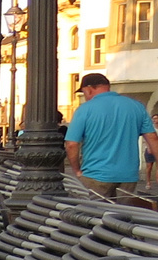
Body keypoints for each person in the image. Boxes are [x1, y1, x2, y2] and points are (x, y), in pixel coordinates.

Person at [65, 72, 158, 201]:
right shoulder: (137, 107)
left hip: (95, 174)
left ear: (89, 89)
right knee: (122, 217)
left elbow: (71, 144)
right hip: (128, 176)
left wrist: (77, 170)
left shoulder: (84, 109)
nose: (85, 96)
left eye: (84, 92)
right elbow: (153, 139)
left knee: (93, 215)